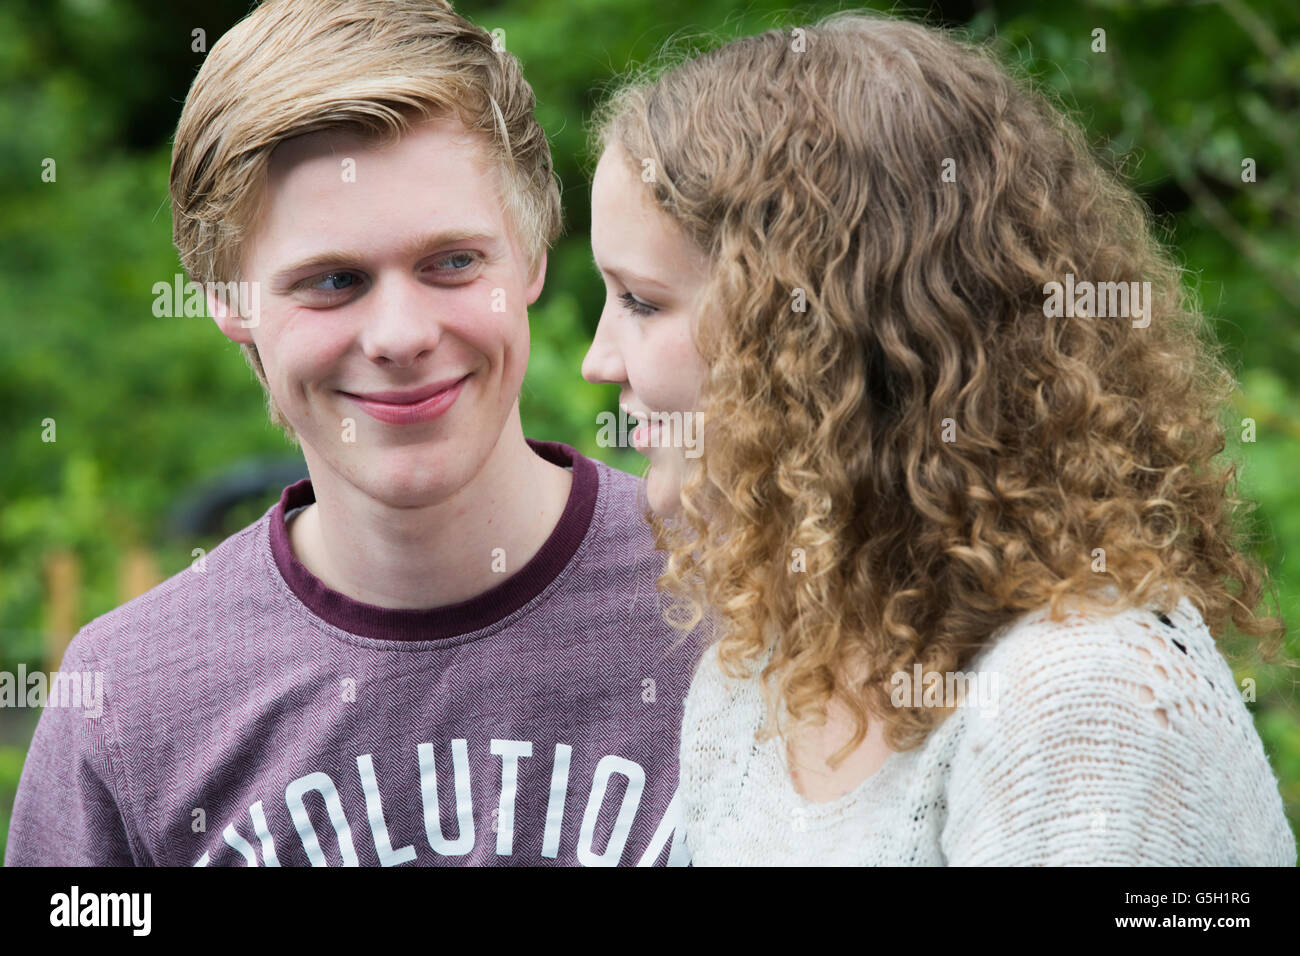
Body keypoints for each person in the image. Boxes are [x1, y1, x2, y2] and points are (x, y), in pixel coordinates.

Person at [581, 11, 1298, 865]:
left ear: (817, 338)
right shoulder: (758, 670)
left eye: (641, 301)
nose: (595, 361)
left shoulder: (1081, 705)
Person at [5, 0, 697, 867]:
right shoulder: (130, 702)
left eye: (451, 262)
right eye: (333, 281)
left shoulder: (752, 599)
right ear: (227, 299)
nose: (401, 335)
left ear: (532, 252)